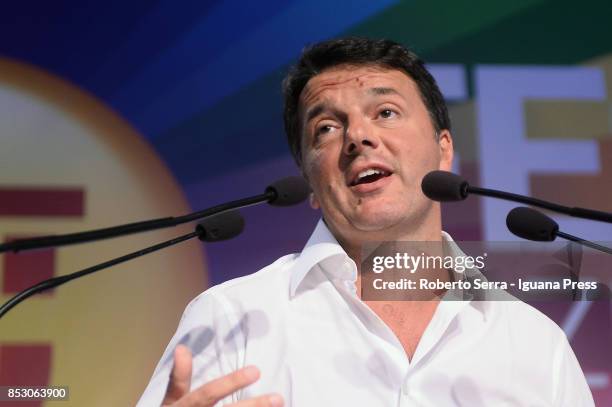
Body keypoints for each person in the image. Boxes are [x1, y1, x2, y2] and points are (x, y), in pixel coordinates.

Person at [137, 37, 594, 406]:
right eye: (327, 128)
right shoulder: (234, 318)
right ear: (311, 184)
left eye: (386, 113)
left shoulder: (536, 344)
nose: (358, 136)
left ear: (445, 149)